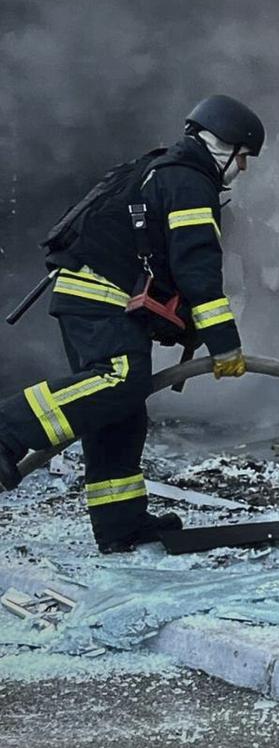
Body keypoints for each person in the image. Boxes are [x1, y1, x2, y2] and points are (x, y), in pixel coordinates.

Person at [0, 95, 264, 553]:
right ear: (223, 146)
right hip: (100, 295)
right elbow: (197, 267)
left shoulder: (162, 169)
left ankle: (121, 527)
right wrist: (224, 344)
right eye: (242, 157)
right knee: (120, 379)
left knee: (120, 413)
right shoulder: (187, 182)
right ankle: (6, 431)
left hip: (90, 294)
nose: (242, 169)